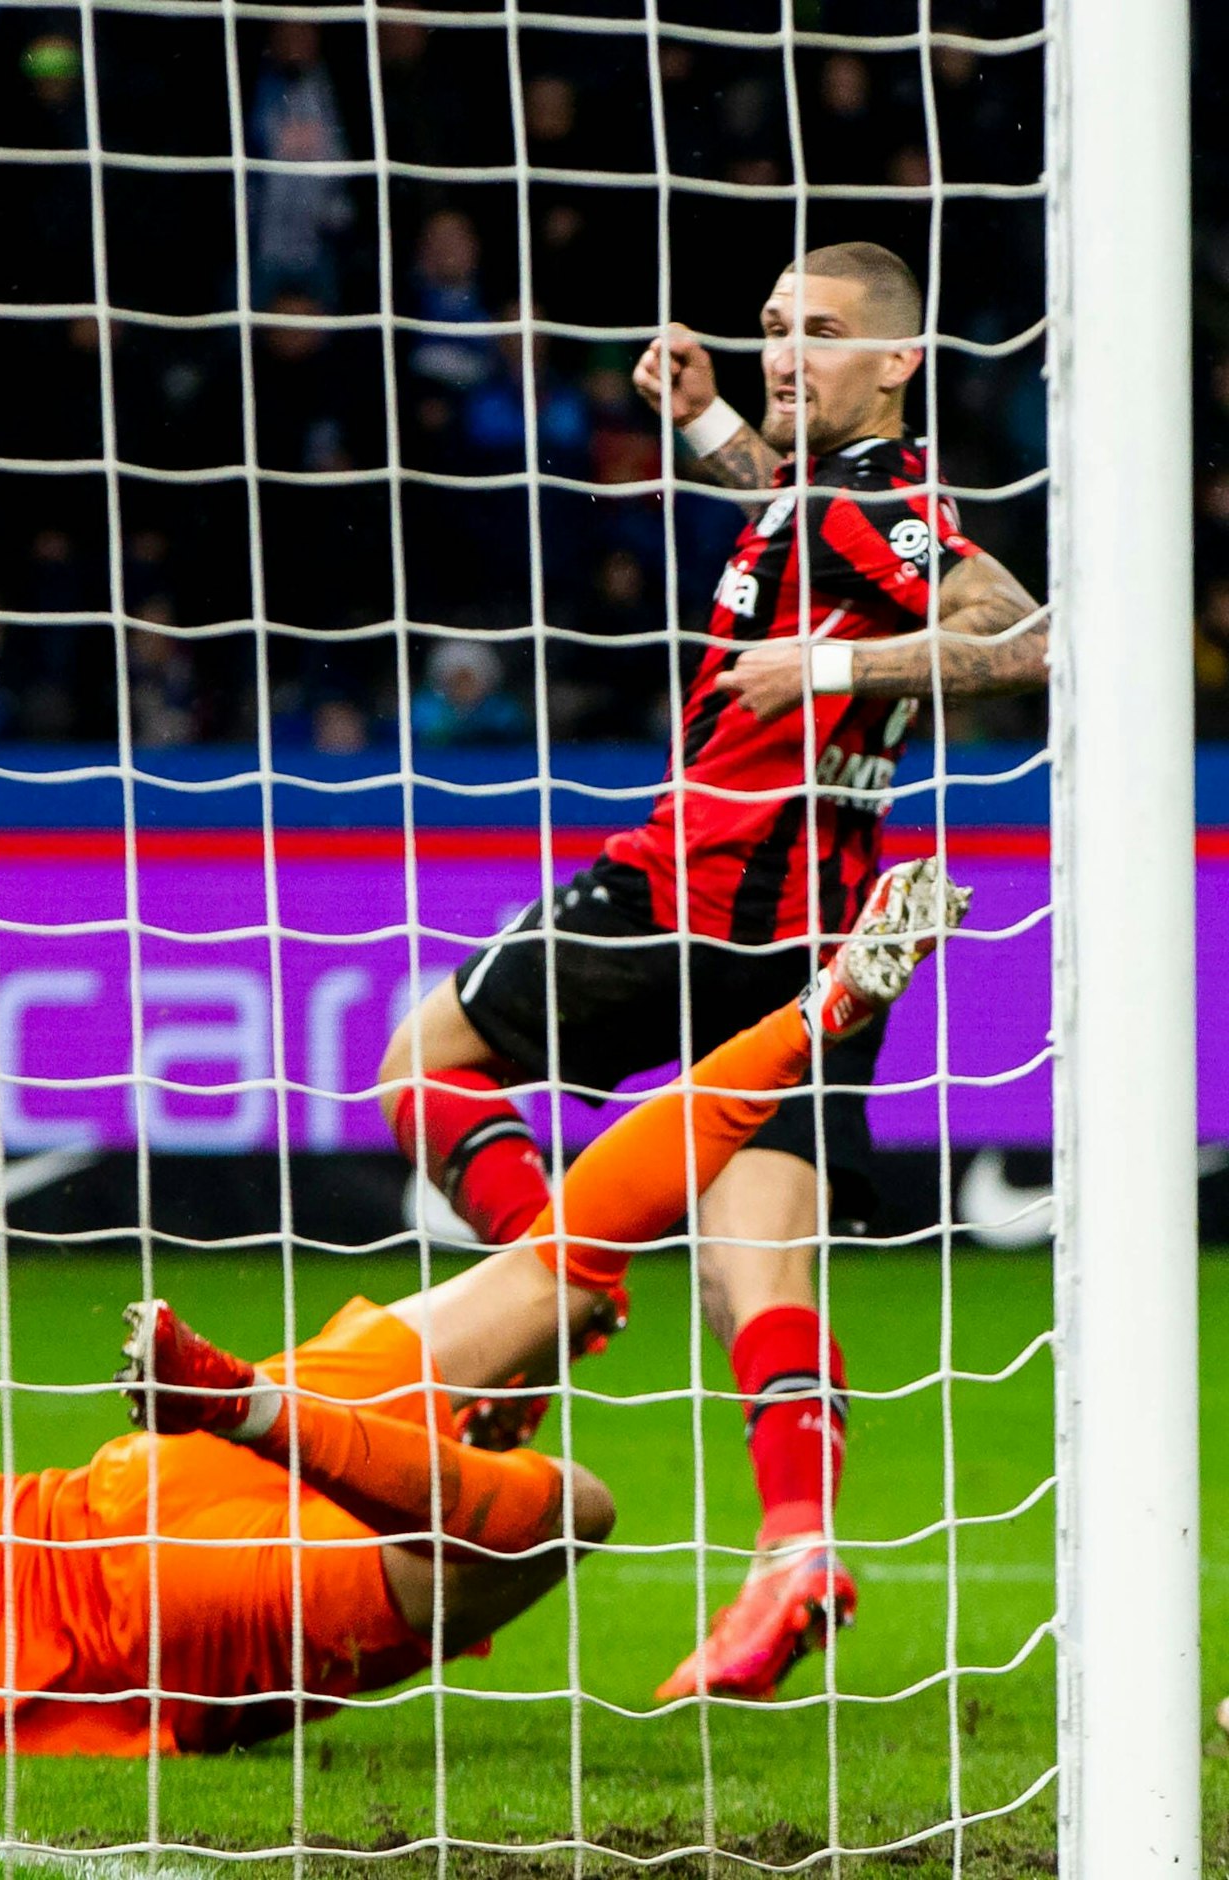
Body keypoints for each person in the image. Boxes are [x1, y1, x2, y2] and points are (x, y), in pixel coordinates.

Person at [0, 862, 963, 1747]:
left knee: (573, 1514)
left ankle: (275, 1413)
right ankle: (807, 1020)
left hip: (178, 1631)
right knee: (555, 1263)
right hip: (139, 1486)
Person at [376, 240, 1045, 1702]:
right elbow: (829, 533)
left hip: (689, 897)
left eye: (818, 335)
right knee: (761, 1284)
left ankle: (558, 1297)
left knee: (423, 1063)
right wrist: (706, 427)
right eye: (768, 331)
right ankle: (794, 1553)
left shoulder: (881, 499)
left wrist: (819, 677)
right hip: (823, 935)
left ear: (896, 364)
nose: (783, 354)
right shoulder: (830, 497)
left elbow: (1022, 635)